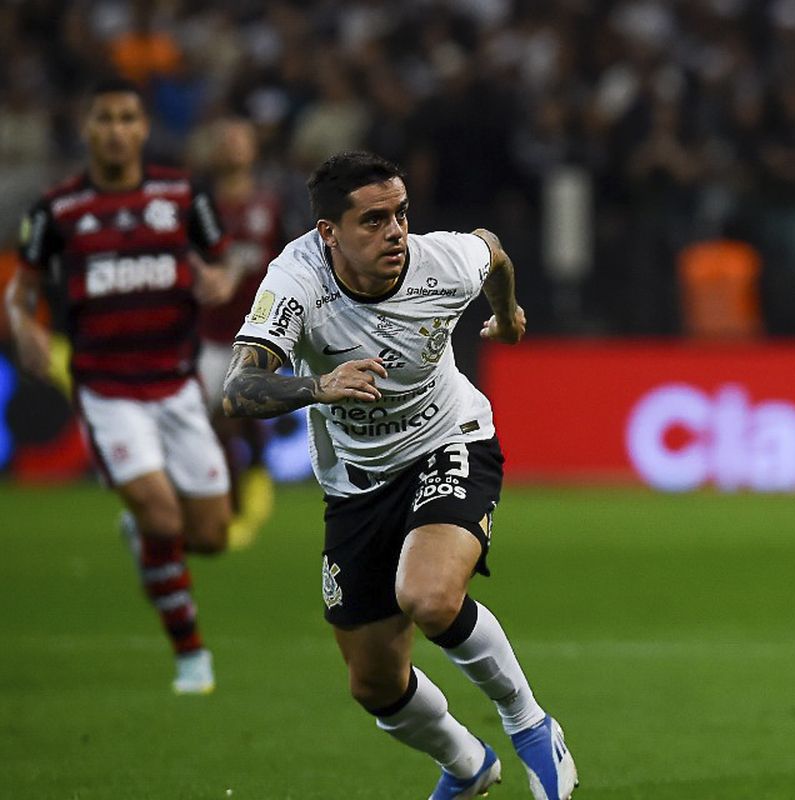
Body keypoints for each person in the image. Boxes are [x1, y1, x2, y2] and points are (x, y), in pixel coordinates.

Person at [219, 151, 577, 800]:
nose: (396, 232)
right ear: (328, 233)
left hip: (451, 441)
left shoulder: (439, 261)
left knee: (430, 596)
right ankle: (467, 764)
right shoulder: (295, 282)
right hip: (355, 483)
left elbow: (492, 252)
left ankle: (530, 723)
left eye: (402, 214)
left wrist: (509, 315)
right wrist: (319, 386)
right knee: (374, 684)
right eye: (374, 220)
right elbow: (239, 388)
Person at [6, 77, 241, 695]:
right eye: (103, 118)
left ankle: (141, 532)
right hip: (107, 391)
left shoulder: (182, 194)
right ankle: (191, 656)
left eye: (127, 118)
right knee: (166, 517)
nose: (115, 129)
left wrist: (217, 277)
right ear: (87, 129)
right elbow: (21, 288)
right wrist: (21, 327)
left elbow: (224, 257)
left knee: (213, 535)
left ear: (142, 129)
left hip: (176, 385)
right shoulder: (56, 210)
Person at [194, 117, 284, 547]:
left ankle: (240, 503)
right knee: (213, 428)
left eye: (239, 139)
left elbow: (292, 259)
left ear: (253, 148)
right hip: (208, 337)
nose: (232, 147)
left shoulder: (270, 205)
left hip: (257, 334)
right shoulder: (199, 209)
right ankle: (235, 498)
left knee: (228, 417)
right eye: (224, 139)